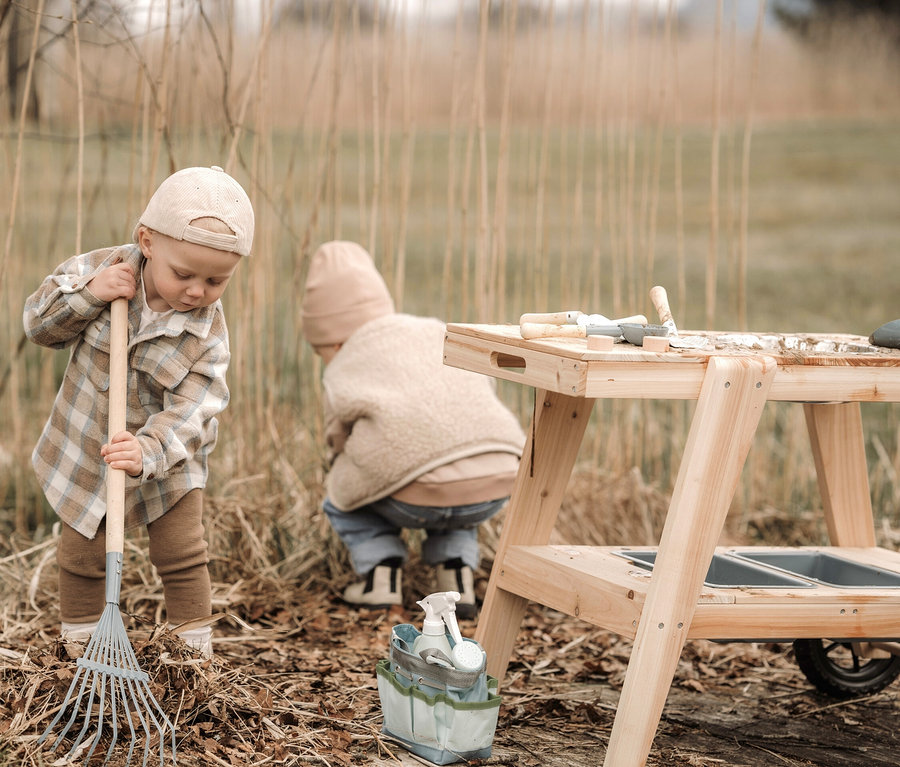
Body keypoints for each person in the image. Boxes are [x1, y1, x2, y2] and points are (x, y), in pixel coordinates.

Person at [24, 166, 254, 655]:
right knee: (82, 552)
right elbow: (37, 326)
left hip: (166, 456)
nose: (197, 291)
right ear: (148, 241)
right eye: (183, 274)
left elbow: (197, 407)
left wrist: (148, 449)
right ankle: (83, 650)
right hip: (91, 444)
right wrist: (91, 295)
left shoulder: (207, 334)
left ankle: (192, 655)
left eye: (217, 280)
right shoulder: (99, 269)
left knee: (181, 551)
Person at [300, 240, 526, 617]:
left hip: (413, 495)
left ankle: (380, 577)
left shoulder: (348, 359)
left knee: (342, 490)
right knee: (455, 477)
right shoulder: (432, 330)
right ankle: (457, 582)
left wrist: (342, 459)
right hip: (494, 477)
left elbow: (336, 438)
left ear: (333, 341)